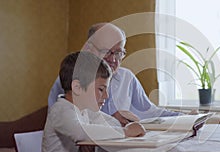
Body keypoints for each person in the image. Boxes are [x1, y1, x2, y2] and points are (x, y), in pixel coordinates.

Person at [48, 23, 195, 127]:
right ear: (88, 49)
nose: (113, 59)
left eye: (118, 53)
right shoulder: (71, 79)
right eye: (106, 51)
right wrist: (112, 122)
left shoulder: (127, 78)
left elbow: (150, 113)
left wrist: (186, 118)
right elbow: (63, 124)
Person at [36, 51, 145, 152]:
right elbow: (81, 132)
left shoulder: (86, 111)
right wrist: (124, 132)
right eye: (101, 89)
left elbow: (109, 123)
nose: (106, 96)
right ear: (77, 88)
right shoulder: (61, 110)